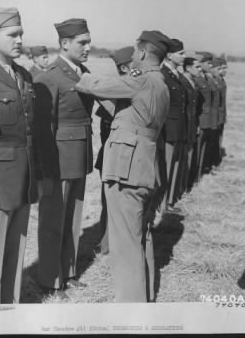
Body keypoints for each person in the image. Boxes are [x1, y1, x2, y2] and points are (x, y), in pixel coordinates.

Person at [75, 30, 170, 302]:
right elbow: (132, 112)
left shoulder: (141, 81)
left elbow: (98, 85)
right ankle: (145, 297)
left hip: (127, 171)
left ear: (141, 53)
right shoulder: (159, 83)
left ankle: (131, 311)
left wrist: (81, 76)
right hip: (145, 169)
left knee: (125, 245)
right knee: (140, 237)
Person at [34, 18, 94, 297]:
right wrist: (46, 171)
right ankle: (48, 279)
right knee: (52, 221)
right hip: (57, 162)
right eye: (82, 42)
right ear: (65, 44)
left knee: (72, 219)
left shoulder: (83, 72)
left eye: (88, 42)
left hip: (78, 157)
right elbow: (44, 129)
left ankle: (67, 272)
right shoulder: (49, 76)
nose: (87, 47)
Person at [0, 7, 37, 303]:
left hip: (25, 173)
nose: (19, 40)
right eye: (12, 35)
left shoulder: (24, 75)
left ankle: (10, 306)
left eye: (21, 34)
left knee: (17, 244)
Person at [95, 46, 134, 255]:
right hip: (113, 157)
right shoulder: (115, 93)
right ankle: (106, 244)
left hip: (123, 156)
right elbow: (105, 134)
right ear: (127, 67)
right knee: (110, 203)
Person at [154, 38, 186, 225]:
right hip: (167, 129)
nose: (183, 56)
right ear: (169, 55)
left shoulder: (175, 74)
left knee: (171, 167)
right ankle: (161, 206)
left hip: (177, 128)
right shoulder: (163, 74)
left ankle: (167, 203)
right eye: (180, 53)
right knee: (164, 169)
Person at [180, 56, 202, 190]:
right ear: (188, 68)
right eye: (197, 67)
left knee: (189, 154)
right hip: (184, 124)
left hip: (192, 124)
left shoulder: (192, 82)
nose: (200, 69)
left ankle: (185, 184)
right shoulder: (182, 82)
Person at [194, 52, 213, 180]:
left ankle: (199, 173)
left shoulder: (206, 77)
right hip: (200, 119)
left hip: (207, 118)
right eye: (208, 63)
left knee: (203, 147)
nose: (210, 65)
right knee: (197, 148)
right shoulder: (196, 79)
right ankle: (194, 176)